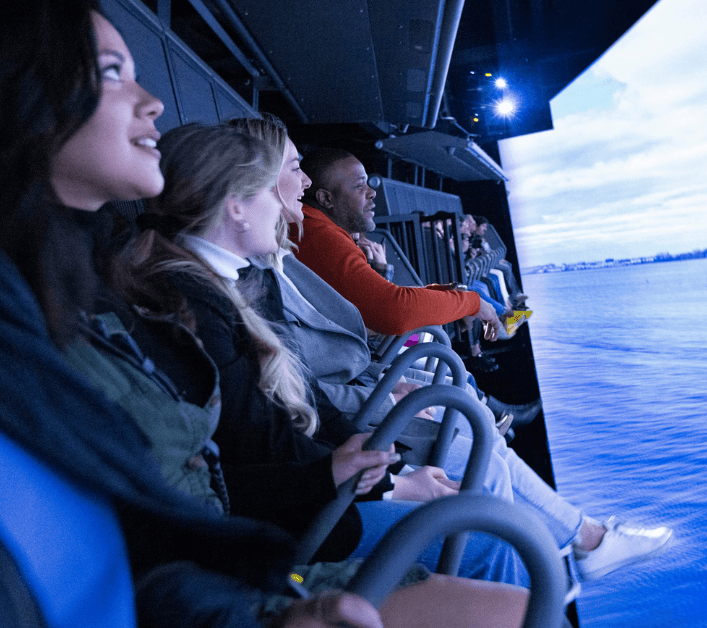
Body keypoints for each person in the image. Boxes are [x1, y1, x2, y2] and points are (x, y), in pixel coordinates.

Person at [0, 4, 534, 627]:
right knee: (488, 512)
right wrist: (343, 485)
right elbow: (209, 478)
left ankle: (574, 536)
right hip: (264, 539)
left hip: (251, 540)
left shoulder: (88, 290)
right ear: (232, 205)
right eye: (114, 72)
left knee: (481, 476)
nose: (151, 103)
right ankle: (577, 541)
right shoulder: (164, 298)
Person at [228, 117, 674, 582]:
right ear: (250, 190)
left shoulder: (281, 251)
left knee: (477, 428)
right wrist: (389, 463)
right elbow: (378, 320)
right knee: (481, 460)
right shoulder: (302, 239)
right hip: (350, 421)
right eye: (296, 169)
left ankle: (577, 543)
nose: (372, 192)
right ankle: (552, 565)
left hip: (360, 399)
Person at [118, 121, 535, 587]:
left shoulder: (223, 282)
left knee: (478, 465)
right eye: (280, 183)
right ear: (235, 206)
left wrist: (384, 466)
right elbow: (259, 441)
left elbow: (294, 403)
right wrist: (387, 483)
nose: (292, 196)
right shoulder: (199, 304)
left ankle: (573, 541)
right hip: (289, 518)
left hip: (324, 460)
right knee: (492, 528)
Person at [289, 148, 501, 339]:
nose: (372, 192)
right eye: (359, 186)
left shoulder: (316, 229)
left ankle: (513, 316)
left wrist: (449, 294)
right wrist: (472, 302)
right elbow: (394, 310)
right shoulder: (316, 235)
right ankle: (511, 320)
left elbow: (381, 300)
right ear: (326, 199)